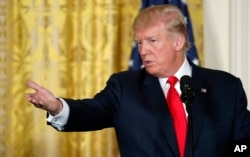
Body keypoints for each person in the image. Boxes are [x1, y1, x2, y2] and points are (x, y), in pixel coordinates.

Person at [26, 4, 250, 157]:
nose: (144, 50)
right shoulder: (125, 87)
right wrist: (57, 107)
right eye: (140, 43)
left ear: (178, 42)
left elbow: (243, 144)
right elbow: (91, 111)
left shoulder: (226, 87)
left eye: (152, 41)